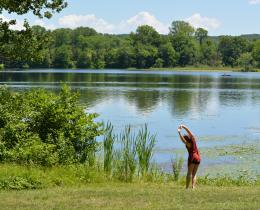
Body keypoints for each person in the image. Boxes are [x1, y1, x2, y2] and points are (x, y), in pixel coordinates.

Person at [177, 124, 201, 189]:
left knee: (189, 173)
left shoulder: (188, 143)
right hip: (198, 157)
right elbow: (189, 132)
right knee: (194, 174)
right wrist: (183, 126)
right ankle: (193, 187)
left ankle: (187, 188)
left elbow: (183, 140)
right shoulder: (193, 139)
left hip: (192, 157)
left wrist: (179, 132)